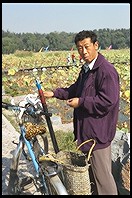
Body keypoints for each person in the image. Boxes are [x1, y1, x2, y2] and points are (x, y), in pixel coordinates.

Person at [43, 30, 120, 195]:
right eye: (79, 48)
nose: (83, 52)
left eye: (86, 47)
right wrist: (55, 93)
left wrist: (81, 102)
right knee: (92, 179)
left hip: (98, 136)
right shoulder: (86, 70)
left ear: (96, 45)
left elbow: (108, 101)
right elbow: (75, 89)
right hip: (87, 135)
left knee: (104, 181)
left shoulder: (106, 71)